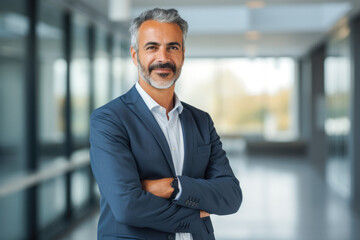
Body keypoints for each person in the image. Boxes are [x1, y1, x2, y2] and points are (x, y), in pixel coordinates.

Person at [90, 8, 242, 240]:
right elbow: (127, 207)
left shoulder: (201, 121)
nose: (163, 58)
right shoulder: (110, 119)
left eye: (173, 47)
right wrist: (196, 215)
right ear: (134, 55)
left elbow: (231, 196)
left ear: (182, 54)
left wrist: (174, 186)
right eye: (152, 47)